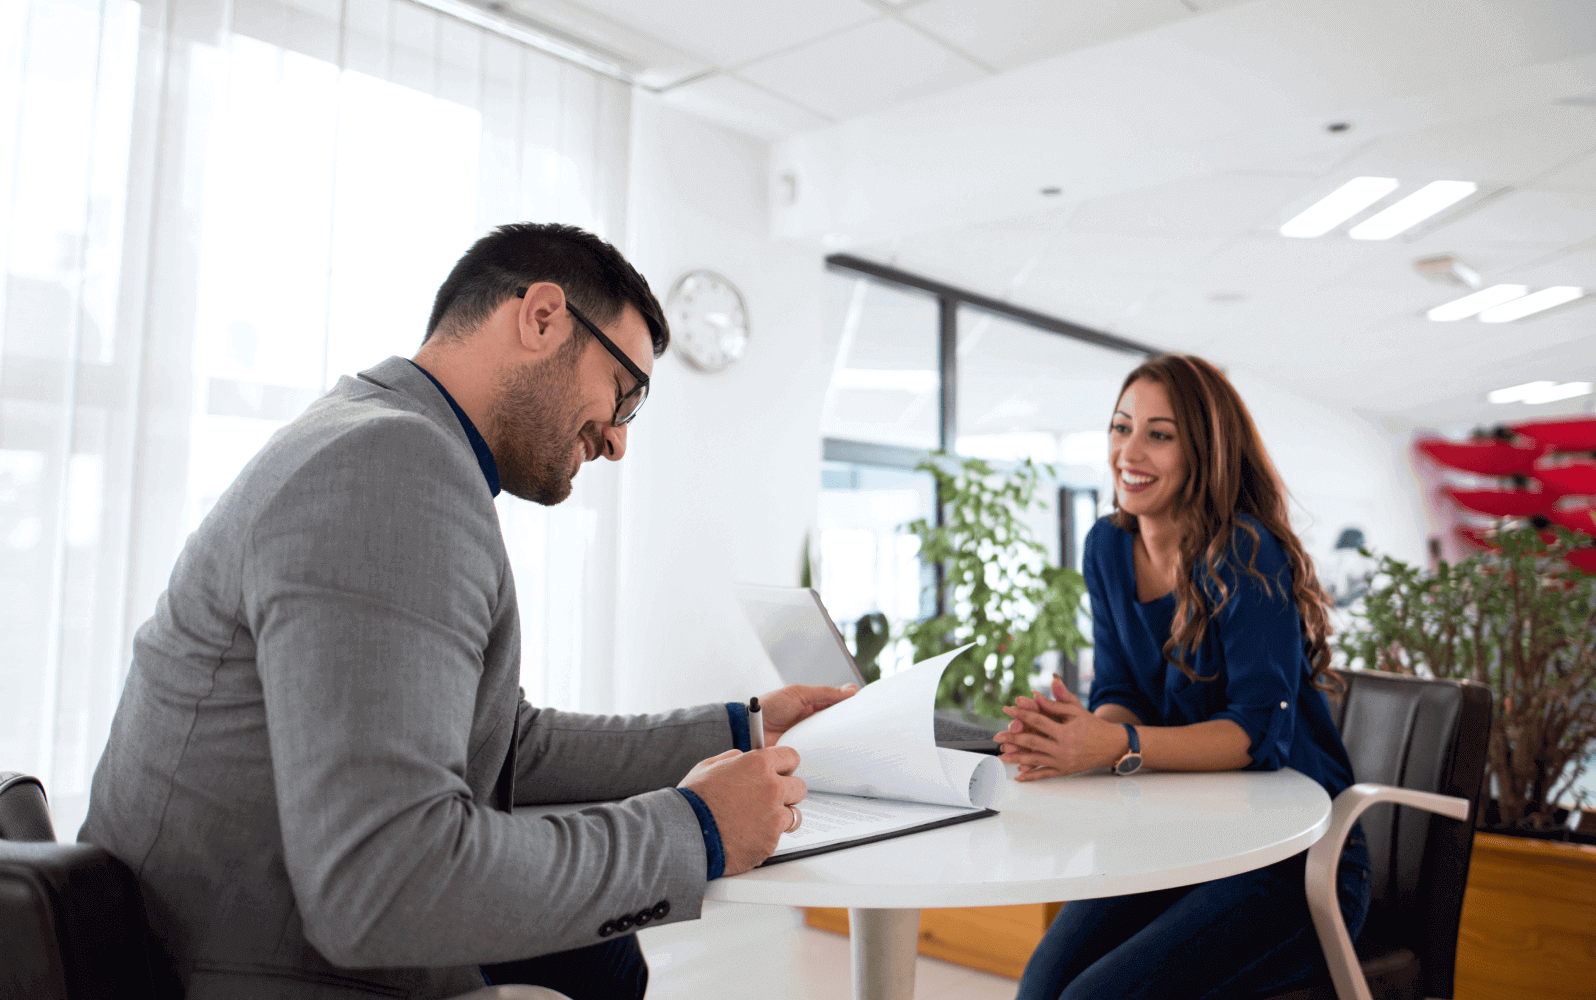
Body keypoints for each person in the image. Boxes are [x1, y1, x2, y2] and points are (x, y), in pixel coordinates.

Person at [79, 223, 852, 1000]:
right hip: (244, 972)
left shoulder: (375, 437)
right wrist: (699, 830)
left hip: (209, 938)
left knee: (603, 963)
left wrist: (745, 728)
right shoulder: (389, 468)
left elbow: (506, 742)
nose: (618, 441)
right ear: (541, 317)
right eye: (625, 394)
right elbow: (383, 881)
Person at [993, 354, 1370, 1000]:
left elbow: (1259, 736)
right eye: (1121, 427)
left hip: (1293, 857)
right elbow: (1121, 693)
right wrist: (1082, 735)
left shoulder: (1245, 552)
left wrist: (1117, 746)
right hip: (1185, 837)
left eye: (1159, 434)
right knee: (1041, 988)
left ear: (1204, 451)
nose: (1129, 451)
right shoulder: (1106, 548)